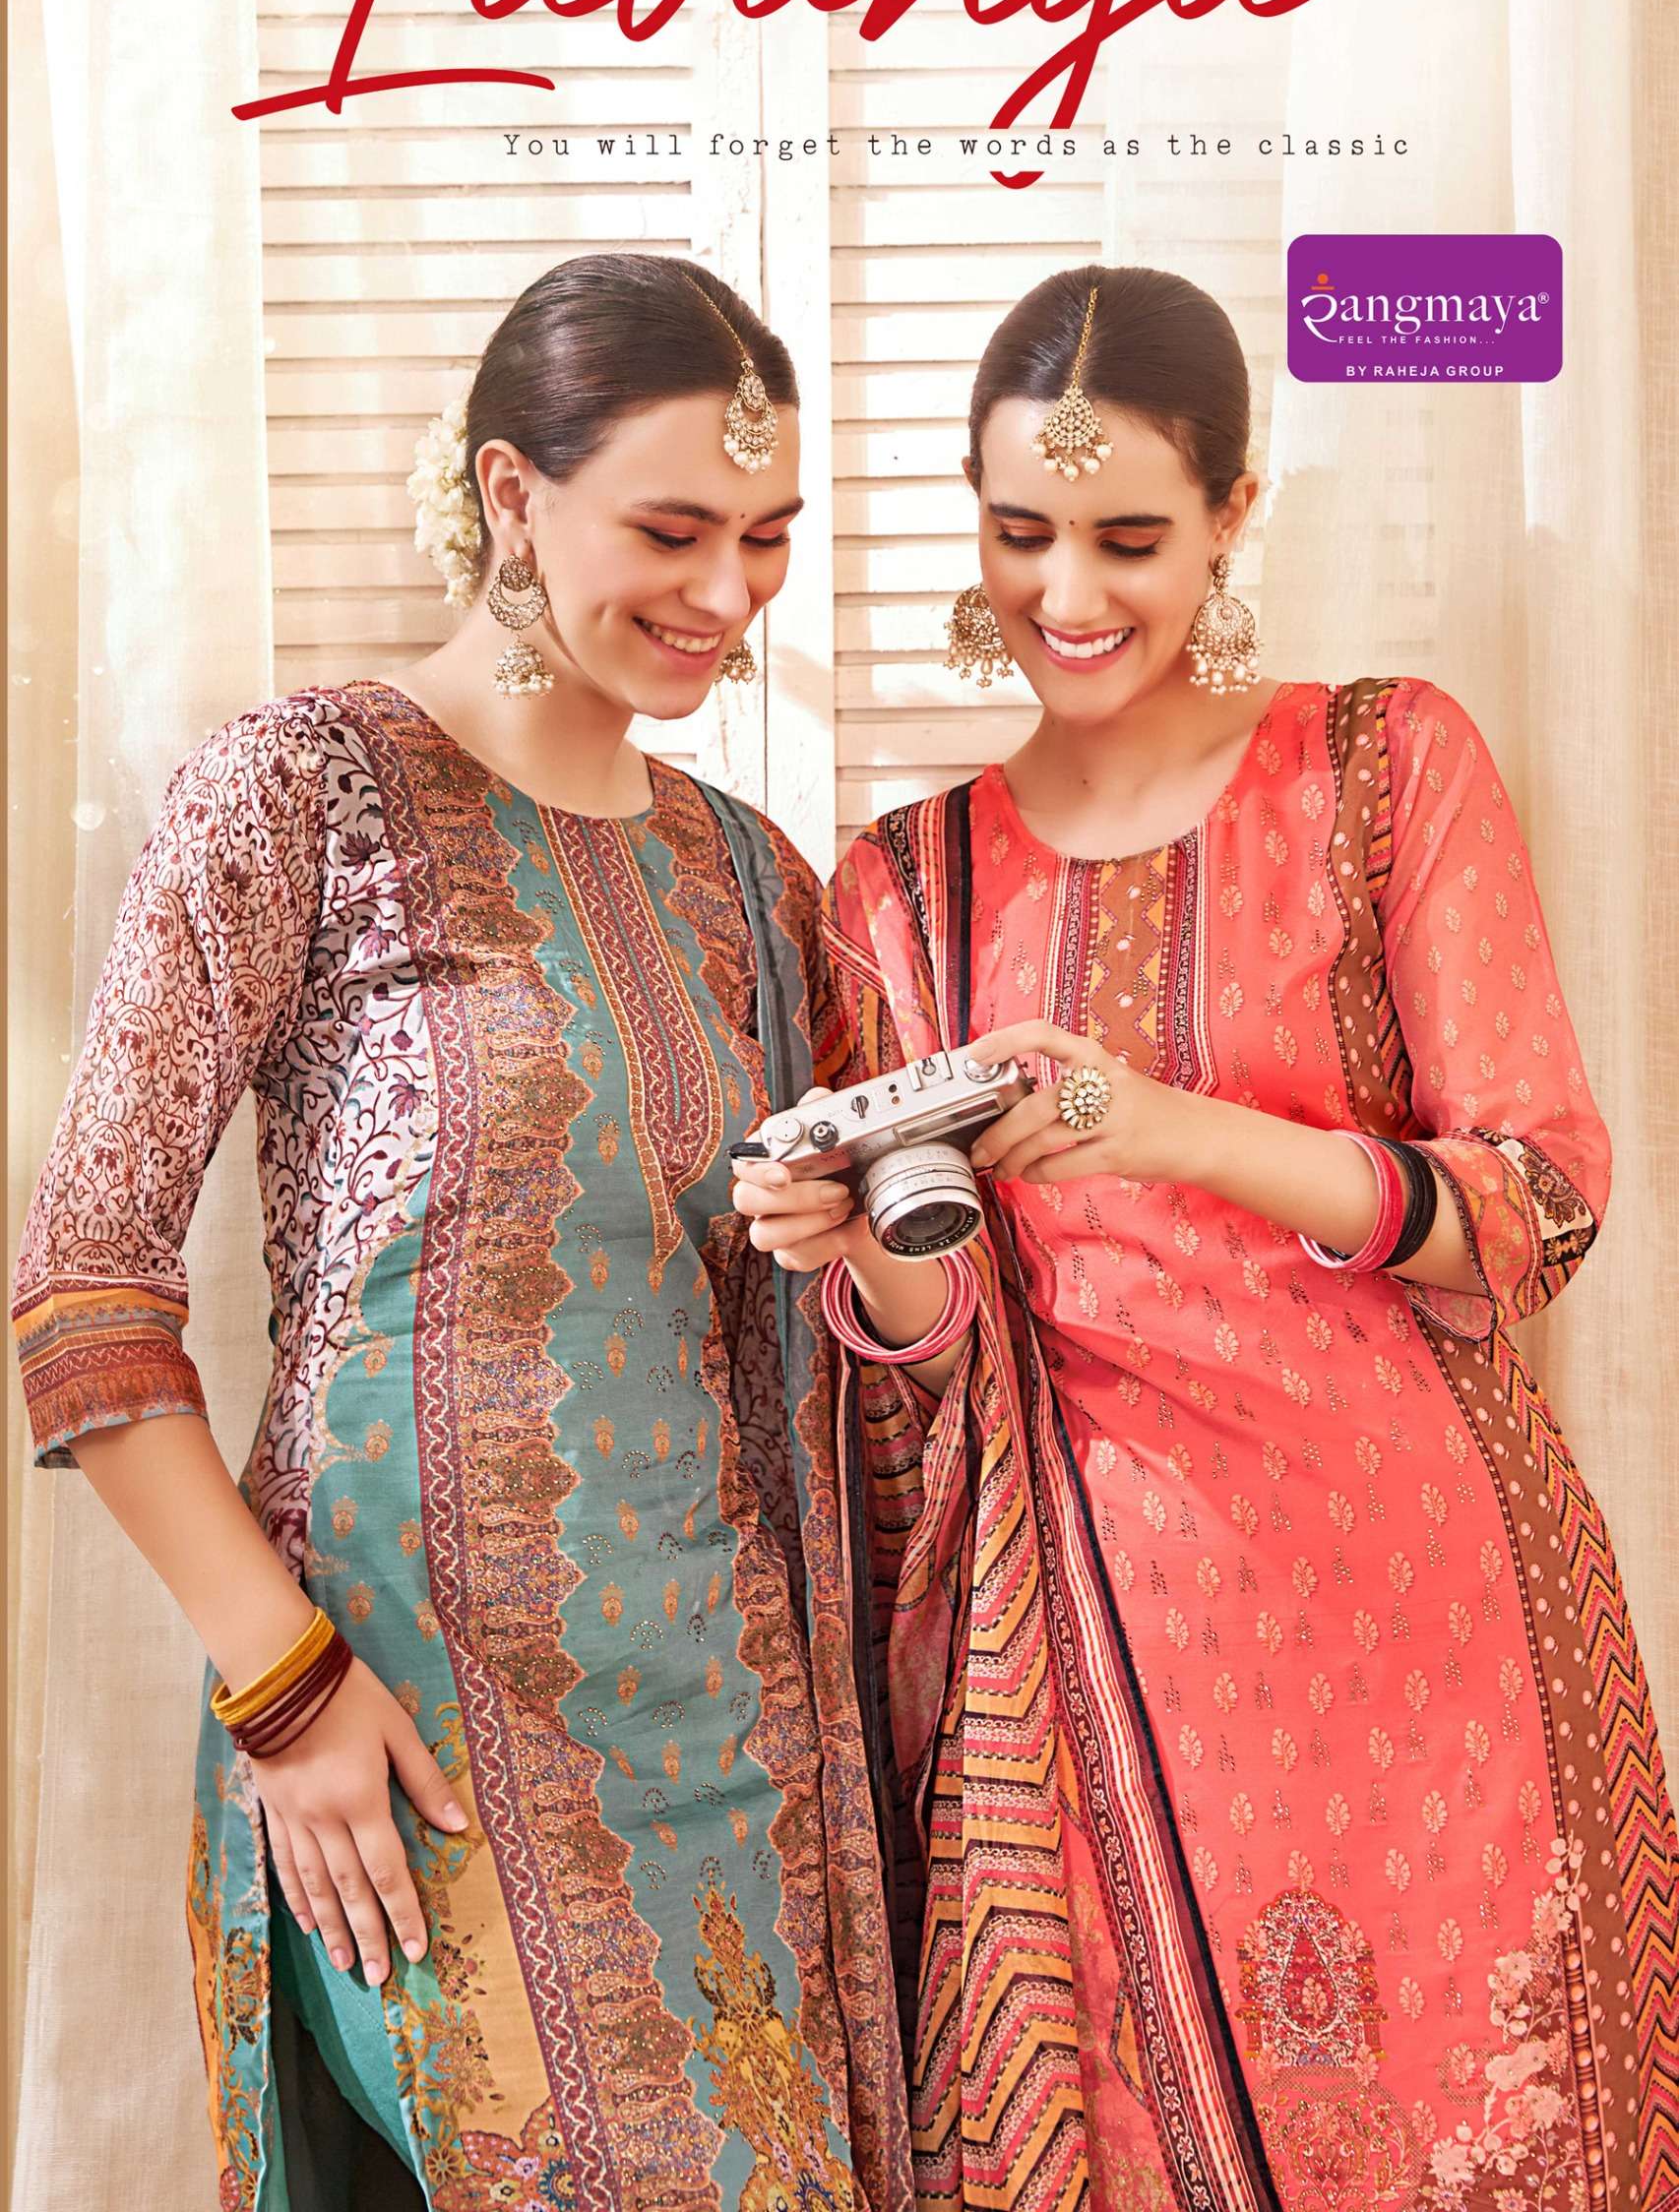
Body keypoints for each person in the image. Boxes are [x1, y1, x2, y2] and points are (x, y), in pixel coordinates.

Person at [733, 265, 1679, 2212]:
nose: (1066, 591)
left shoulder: (1382, 767)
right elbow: (932, 1348)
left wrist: (1163, 1129)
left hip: (1424, 1613)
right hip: (1090, 1663)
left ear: (1233, 513)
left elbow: (1536, 1202)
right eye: (1020, 532)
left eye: (1128, 537)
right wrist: (846, 1241)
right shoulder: (905, 882)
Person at [14, 254, 911, 2212]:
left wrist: (865, 1226)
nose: (727, 591)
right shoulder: (297, 794)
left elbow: (869, 1327)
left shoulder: (748, 875)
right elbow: (83, 1294)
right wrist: (284, 1687)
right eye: (669, 529)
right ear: (511, 491)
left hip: (731, 1742)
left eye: (765, 535)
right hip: (400, 1724)